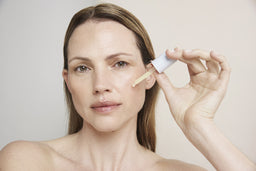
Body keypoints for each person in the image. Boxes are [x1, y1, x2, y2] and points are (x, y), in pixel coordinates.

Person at [0, 3, 255, 171]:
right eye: (82, 68)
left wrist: (200, 126)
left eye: (119, 63)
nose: (100, 86)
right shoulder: (26, 160)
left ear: (150, 74)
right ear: (67, 81)